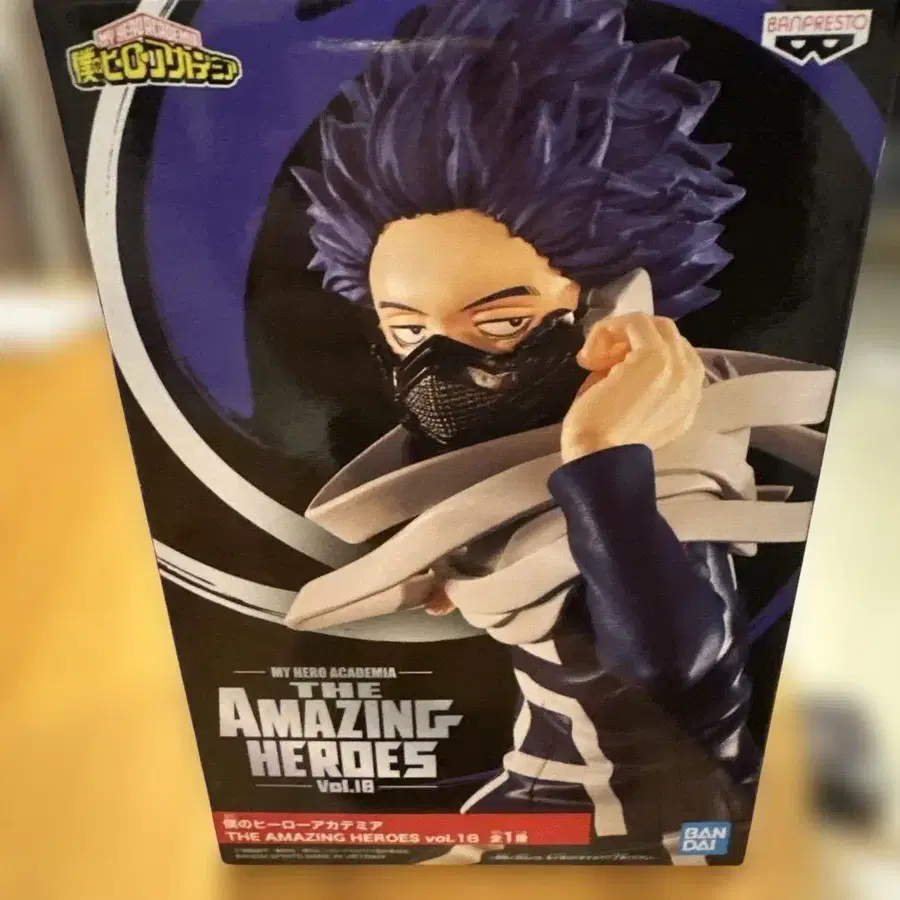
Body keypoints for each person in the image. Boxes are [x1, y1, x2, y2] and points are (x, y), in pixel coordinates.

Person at [286, 0, 835, 862]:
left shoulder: (661, 484)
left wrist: (605, 458)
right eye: (407, 330)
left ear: (616, 307)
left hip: (653, 828)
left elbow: (679, 671)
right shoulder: (517, 478)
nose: (440, 365)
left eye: (502, 323)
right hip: (535, 796)